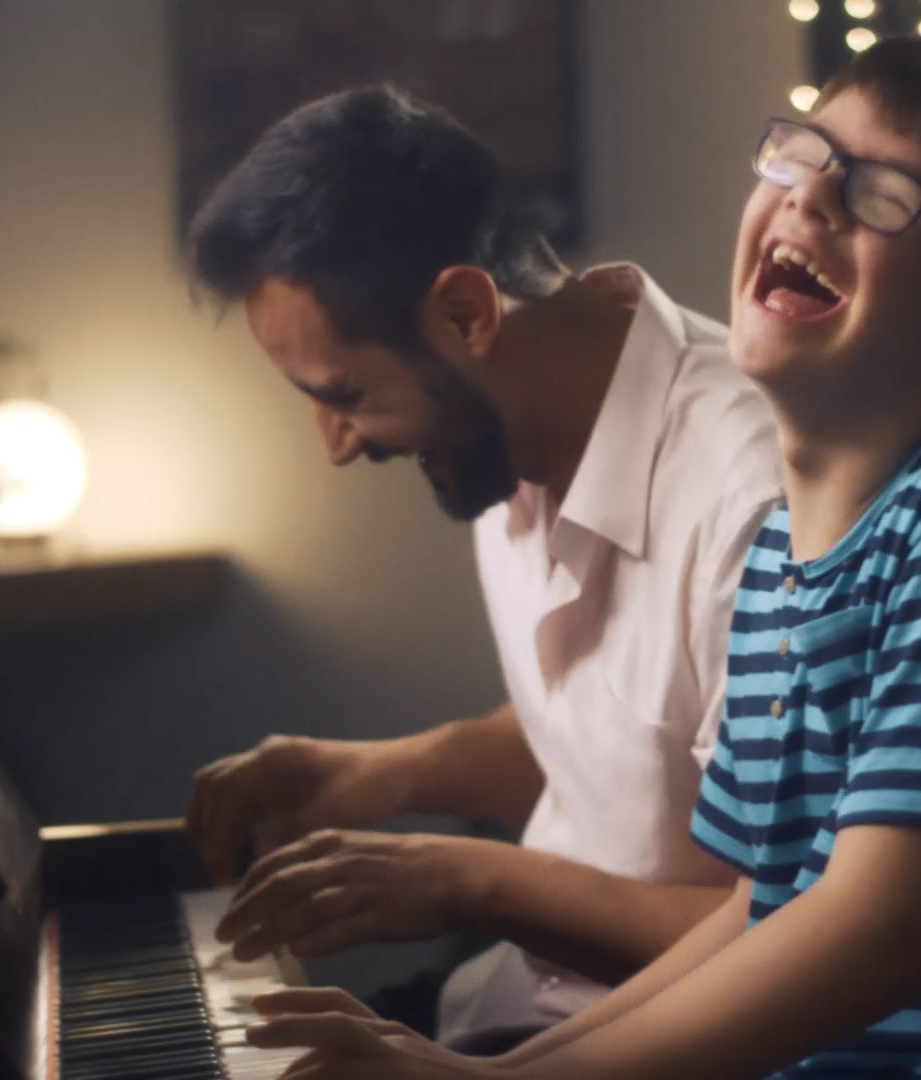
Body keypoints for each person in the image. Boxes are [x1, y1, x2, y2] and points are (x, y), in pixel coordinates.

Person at [243, 35, 921, 1080]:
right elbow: (762, 914)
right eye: (802, 158)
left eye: (881, 195)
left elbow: (870, 942)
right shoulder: (788, 551)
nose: (809, 202)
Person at [181, 84, 783, 1054]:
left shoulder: (752, 503)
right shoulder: (509, 436)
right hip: (512, 1003)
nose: (335, 445)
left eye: (344, 395)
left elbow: (782, 935)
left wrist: (466, 880)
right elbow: (632, 740)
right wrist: (383, 772)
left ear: (465, 313)